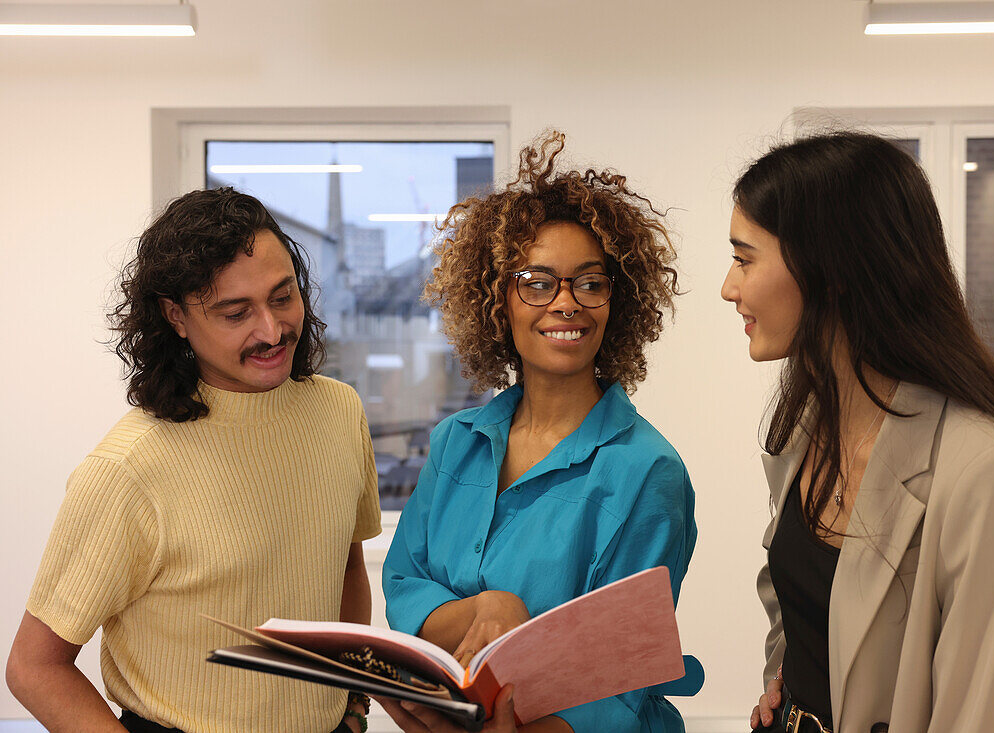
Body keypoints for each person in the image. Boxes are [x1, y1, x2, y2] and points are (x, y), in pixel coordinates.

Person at [722, 131, 994, 733]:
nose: (729, 287)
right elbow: (813, 611)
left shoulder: (993, 467)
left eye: (744, 258)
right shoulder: (807, 429)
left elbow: (987, 717)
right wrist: (788, 690)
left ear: (832, 270)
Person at [5, 188, 383, 733]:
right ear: (175, 316)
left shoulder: (338, 411)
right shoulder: (128, 469)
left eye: (283, 297)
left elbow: (344, 566)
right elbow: (34, 667)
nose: (272, 332)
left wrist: (351, 702)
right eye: (236, 313)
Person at [378, 131, 698, 733]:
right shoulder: (455, 442)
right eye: (537, 281)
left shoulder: (646, 471)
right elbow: (404, 586)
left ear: (616, 299)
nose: (566, 302)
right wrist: (491, 608)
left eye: (590, 281)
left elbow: (622, 677)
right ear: (500, 300)